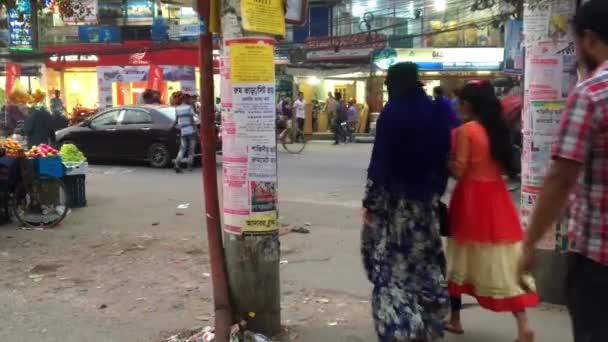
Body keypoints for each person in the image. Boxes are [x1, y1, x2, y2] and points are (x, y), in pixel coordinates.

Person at [520, 2, 608, 341]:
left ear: (587, 39)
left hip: (598, 262)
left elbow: (560, 178)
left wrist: (529, 244)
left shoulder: (591, 94)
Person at [361, 62, 451, 342]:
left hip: (396, 211)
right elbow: (445, 159)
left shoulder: (392, 114)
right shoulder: (439, 111)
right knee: (426, 269)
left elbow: (381, 163)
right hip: (427, 209)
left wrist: (370, 204)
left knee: (394, 275)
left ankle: (403, 331)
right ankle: (426, 327)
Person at [446, 81, 538, 342]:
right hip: (497, 200)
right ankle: (523, 325)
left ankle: (455, 319)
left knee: (458, 260)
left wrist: (446, 162)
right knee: (505, 263)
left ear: (469, 105)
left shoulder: (467, 131)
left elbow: (459, 170)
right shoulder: (497, 130)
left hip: (470, 201)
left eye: (461, 102)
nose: (458, 107)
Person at [173, 93, 197, 173]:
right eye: (189, 99)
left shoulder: (177, 108)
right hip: (190, 130)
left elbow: (176, 121)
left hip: (183, 131)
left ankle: (177, 163)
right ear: (186, 99)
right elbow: (192, 120)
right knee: (191, 148)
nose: (190, 100)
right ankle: (189, 165)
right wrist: (196, 129)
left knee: (182, 148)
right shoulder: (189, 107)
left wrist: (174, 126)